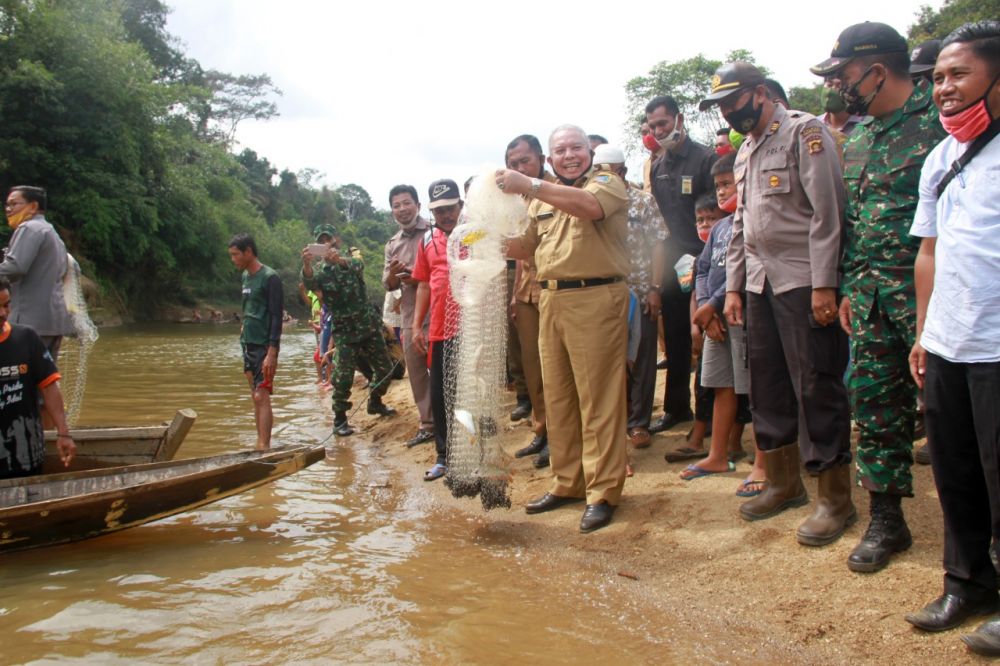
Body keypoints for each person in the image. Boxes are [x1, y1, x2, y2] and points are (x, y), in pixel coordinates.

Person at [812, 20, 948, 573]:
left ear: (875, 71)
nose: (837, 85)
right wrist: (847, 284)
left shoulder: (940, 127)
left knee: (954, 412)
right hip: (868, 299)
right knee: (875, 408)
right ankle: (887, 520)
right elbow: (853, 220)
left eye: (843, 74)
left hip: (930, 298)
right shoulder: (860, 137)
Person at [704, 62, 854, 546]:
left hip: (804, 281)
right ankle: (785, 482)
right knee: (767, 385)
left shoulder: (805, 133)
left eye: (734, 101)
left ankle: (834, 498)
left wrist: (826, 284)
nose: (730, 113)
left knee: (816, 385)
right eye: (723, 107)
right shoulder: (746, 149)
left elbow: (828, 213)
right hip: (760, 286)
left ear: (762, 93)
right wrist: (732, 287)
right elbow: (743, 225)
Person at [904, 21, 1000, 654]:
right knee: (956, 471)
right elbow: (928, 252)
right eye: (937, 77)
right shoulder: (940, 157)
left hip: (996, 346)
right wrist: (923, 330)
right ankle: (966, 583)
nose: (943, 88)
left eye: (958, 74)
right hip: (947, 343)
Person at [497, 124, 630, 534]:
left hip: (596, 297)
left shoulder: (605, 182)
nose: (570, 155)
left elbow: (589, 207)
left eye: (576, 147)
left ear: (588, 151)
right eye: (562, 150)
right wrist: (481, 235)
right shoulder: (543, 198)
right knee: (558, 397)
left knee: (598, 401)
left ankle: (603, 491)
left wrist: (531, 184)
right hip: (551, 297)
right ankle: (568, 482)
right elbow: (525, 247)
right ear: (552, 158)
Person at [645, 95, 718, 433]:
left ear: (679, 118)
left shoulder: (705, 159)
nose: (659, 131)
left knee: (710, 335)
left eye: (663, 123)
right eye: (653, 127)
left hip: (708, 259)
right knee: (675, 337)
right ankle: (677, 408)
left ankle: (715, 413)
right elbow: (660, 225)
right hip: (675, 264)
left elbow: (717, 213)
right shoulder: (658, 166)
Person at [591, 144, 668, 453]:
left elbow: (659, 245)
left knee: (644, 358)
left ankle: (639, 423)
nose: (604, 178)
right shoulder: (590, 204)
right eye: (598, 172)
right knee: (610, 361)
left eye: (610, 171)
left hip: (639, 289)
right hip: (604, 294)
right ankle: (616, 421)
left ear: (622, 171)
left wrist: (655, 288)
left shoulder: (642, 202)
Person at [303, 227, 396, 437]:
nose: (327, 243)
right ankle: (340, 419)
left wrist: (340, 261)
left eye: (329, 239)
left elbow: (359, 265)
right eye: (322, 241)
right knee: (342, 377)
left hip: (368, 326)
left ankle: (375, 401)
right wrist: (307, 264)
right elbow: (309, 282)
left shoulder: (351, 259)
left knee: (385, 369)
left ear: (337, 239)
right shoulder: (320, 274)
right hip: (344, 332)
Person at [506, 135, 556, 469]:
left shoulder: (555, 190)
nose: (520, 168)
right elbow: (522, 252)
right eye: (513, 163)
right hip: (525, 290)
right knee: (533, 368)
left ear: (541, 159)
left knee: (556, 368)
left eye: (525, 161)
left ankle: (561, 437)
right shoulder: (515, 200)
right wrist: (513, 296)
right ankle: (542, 431)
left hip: (555, 288)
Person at [411, 179, 463, 482]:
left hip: (471, 330)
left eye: (450, 208)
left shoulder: (475, 235)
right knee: (441, 396)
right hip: (440, 332)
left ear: (461, 206)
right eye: (439, 210)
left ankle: (473, 454)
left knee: (470, 394)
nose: (445, 215)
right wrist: (417, 325)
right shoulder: (427, 241)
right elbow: (422, 284)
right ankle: (444, 457)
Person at [0, 276, 75, 477]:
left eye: (6, 305)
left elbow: (50, 387)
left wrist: (63, 433)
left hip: (26, 455)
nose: (3, 313)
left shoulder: (26, 338)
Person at [383, 185, 435, 447]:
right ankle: (428, 423)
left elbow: (441, 271)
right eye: (396, 205)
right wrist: (395, 273)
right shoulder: (392, 245)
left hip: (438, 312)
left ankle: (452, 420)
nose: (402, 209)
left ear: (418, 205)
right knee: (416, 373)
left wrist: (415, 273)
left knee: (442, 368)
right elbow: (389, 285)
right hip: (409, 315)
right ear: (392, 210)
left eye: (406, 203)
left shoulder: (435, 233)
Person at [0, 186, 73, 359]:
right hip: (51, 322)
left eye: (14, 204)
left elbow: (14, 268)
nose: (8, 209)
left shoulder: (29, 228)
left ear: (33, 206)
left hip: (29, 321)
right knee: (45, 379)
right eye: (7, 205)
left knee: (19, 378)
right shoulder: (50, 232)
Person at [228, 233, 283, 450]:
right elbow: (249, 308)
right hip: (248, 343)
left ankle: (264, 446)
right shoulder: (245, 277)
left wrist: (272, 352)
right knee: (255, 396)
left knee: (262, 395)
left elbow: (276, 316)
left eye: (235, 255)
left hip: (263, 345)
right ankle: (259, 442)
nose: (233, 259)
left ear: (248, 252)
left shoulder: (270, 278)